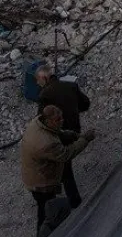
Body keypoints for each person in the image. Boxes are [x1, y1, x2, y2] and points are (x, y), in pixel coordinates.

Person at [20, 105, 95, 237]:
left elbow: (54, 132)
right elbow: (66, 154)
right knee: (46, 214)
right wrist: (85, 139)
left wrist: (67, 134)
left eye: (61, 117)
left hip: (34, 176)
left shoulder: (38, 122)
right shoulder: (46, 143)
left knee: (47, 209)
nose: (62, 121)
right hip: (41, 183)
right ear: (49, 121)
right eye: (58, 119)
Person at [36, 65, 91, 208]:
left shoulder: (45, 95)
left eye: (38, 80)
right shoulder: (71, 85)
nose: (37, 84)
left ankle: (74, 202)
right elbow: (86, 104)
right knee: (64, 164)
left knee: (64, 168)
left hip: (59, 135)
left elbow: (40, 120)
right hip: (75, 131)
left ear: (44, 78)